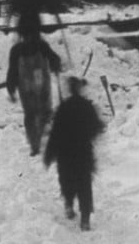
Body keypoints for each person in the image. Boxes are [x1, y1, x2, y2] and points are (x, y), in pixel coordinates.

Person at [44, 76, 104, 232]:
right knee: (84, 184)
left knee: (66, 180)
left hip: (65, 153)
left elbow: (55, 133)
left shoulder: (63, 108)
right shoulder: (87, 106)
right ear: (80, 89)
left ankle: (69, 205)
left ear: (69, 90)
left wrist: (49, 154)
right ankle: (85, 218)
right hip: (83, 152)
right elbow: (97, 127)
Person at [7, 14, 61, 156]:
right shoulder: (22, 50)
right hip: (29, 88)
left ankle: (38, 141)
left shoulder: (37, 47)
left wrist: (55, 63)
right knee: (33, 115)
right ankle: (35, 144)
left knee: (40, 113)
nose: (29, 38)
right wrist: (11, 88)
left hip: (37, 86)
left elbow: (53, 57)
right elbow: (12, 71)